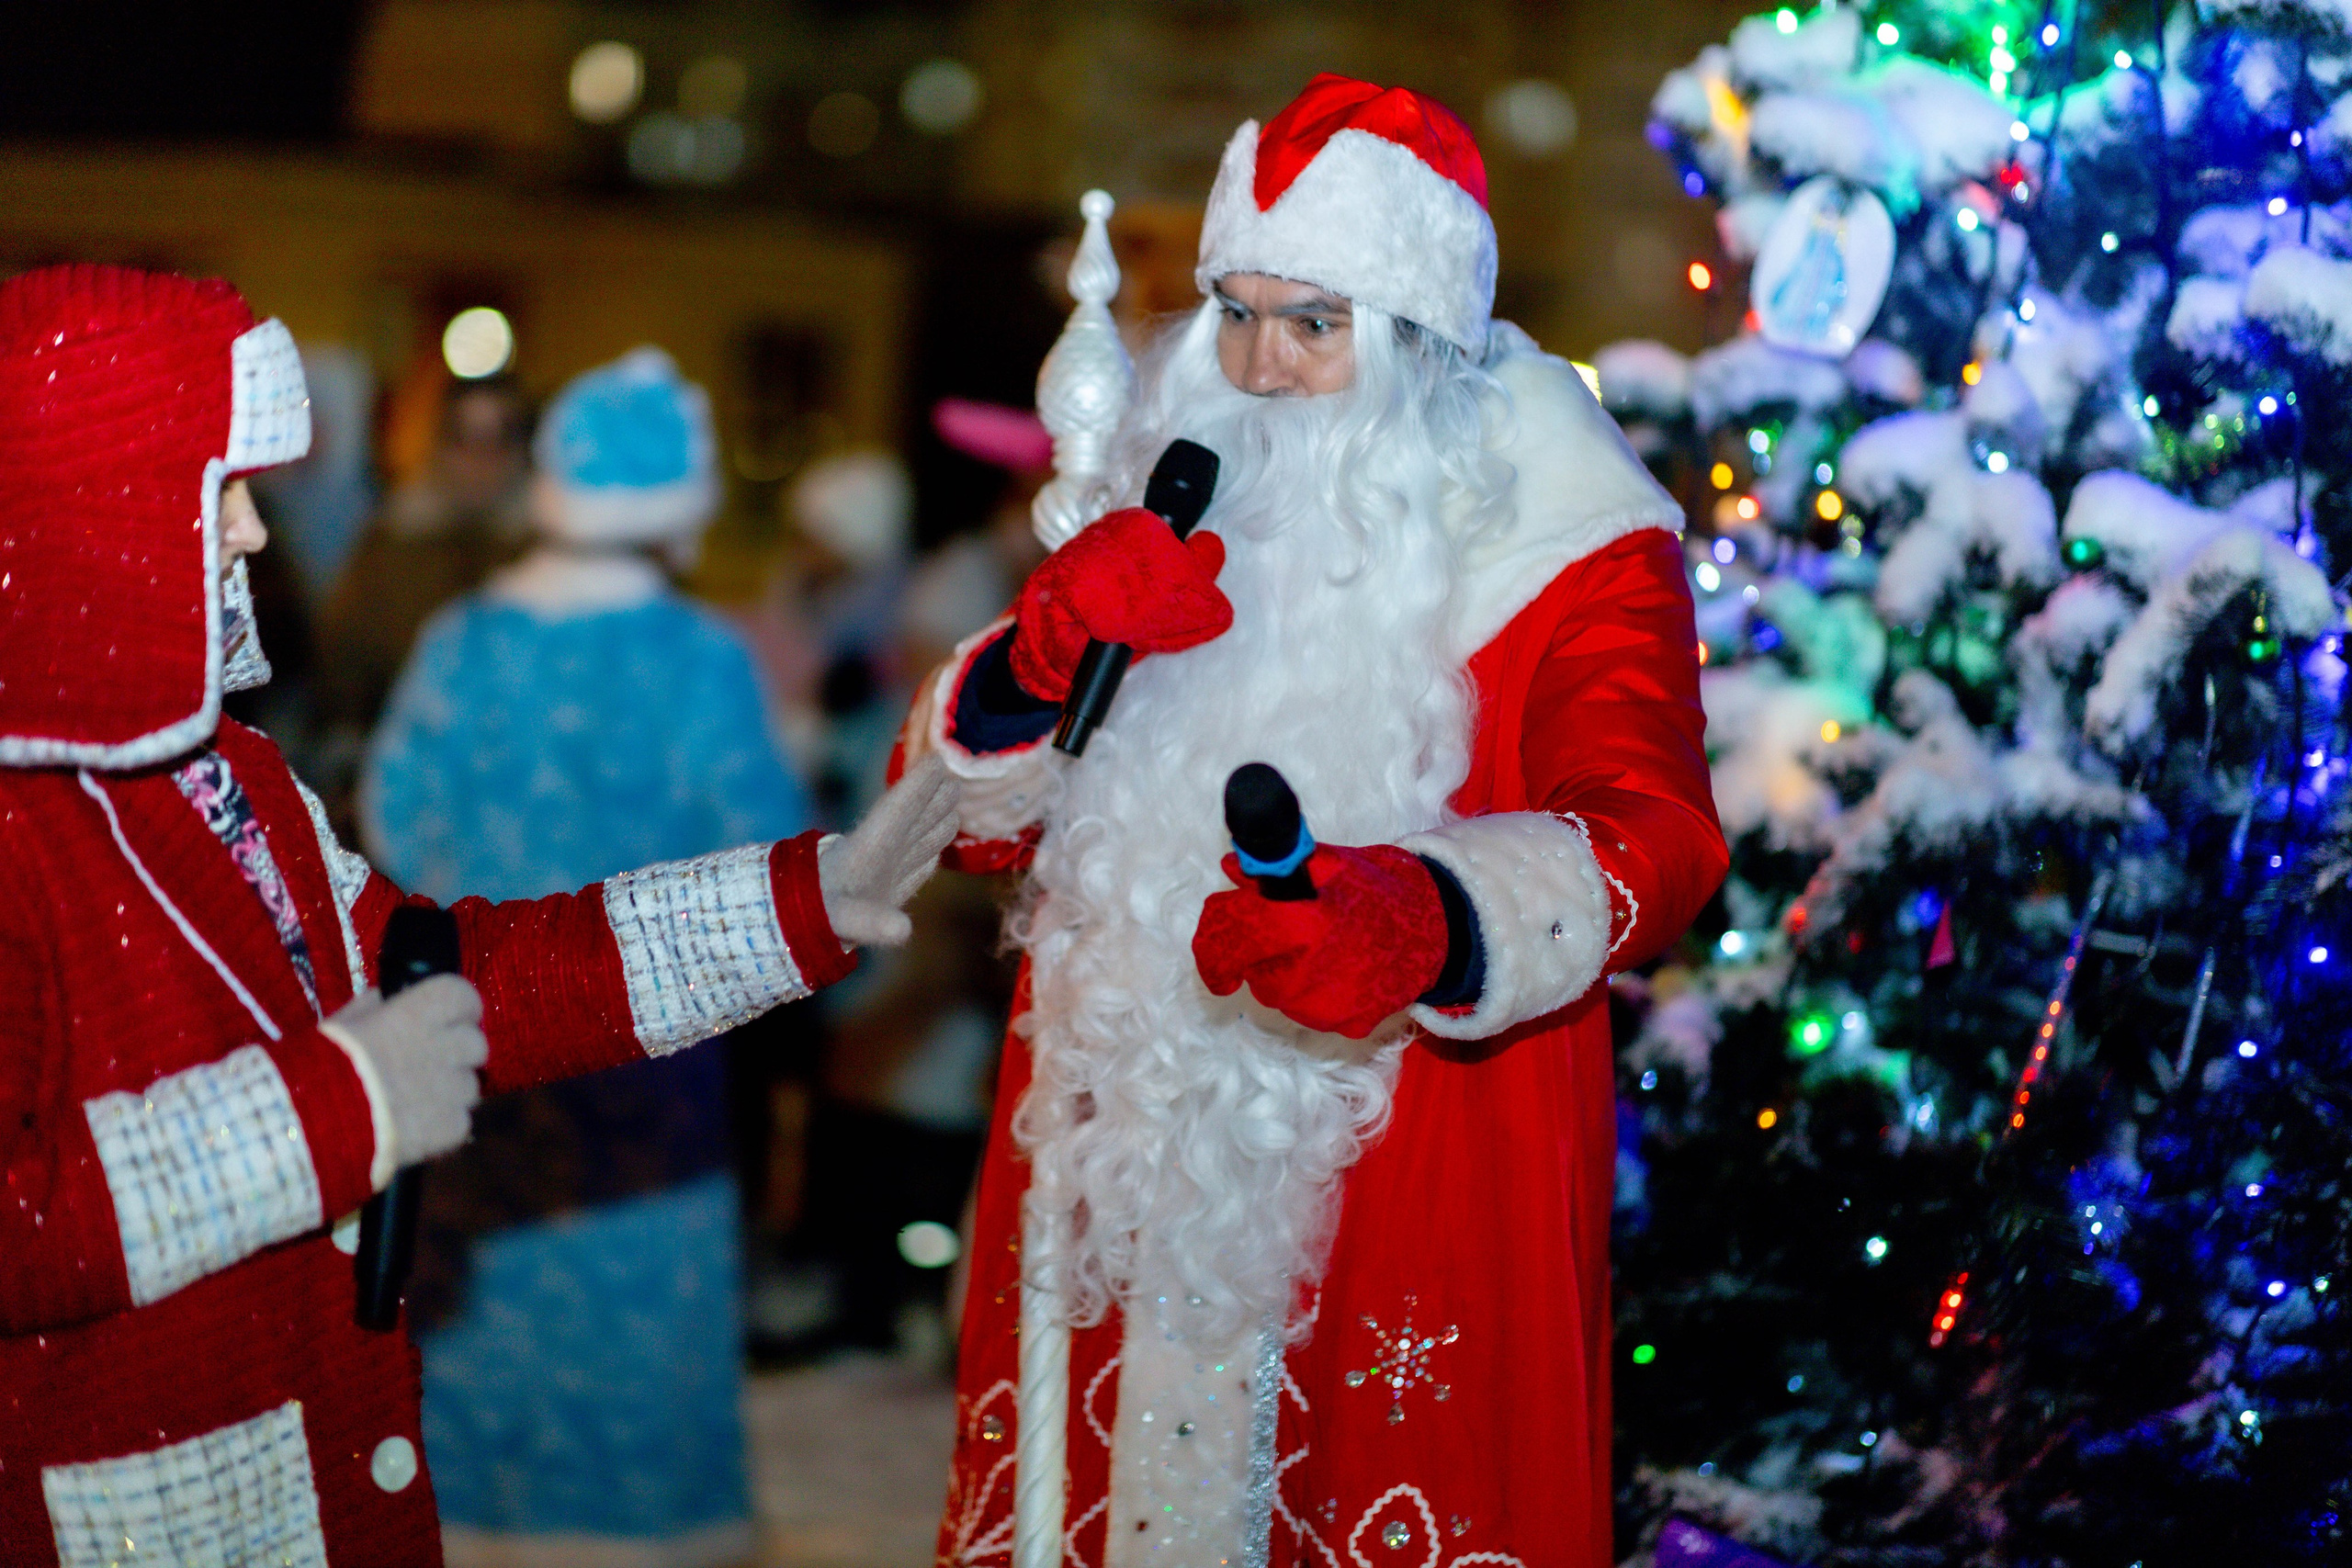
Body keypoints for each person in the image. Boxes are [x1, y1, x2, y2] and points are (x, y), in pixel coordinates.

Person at [0, 264, 957, 1565]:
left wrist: (803, 898)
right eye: (220, 492)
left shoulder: (224, 773)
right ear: (97, 520)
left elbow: (444, 966)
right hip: (138, 1501)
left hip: (297, 1457)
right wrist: (336, 1106)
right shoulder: (24, 832)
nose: (254, 535)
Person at [907, 76, 1727, 1566]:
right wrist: (1036, 671)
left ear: (1416, 338)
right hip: (1124, 1166)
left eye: (1315, 323)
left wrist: (1429, 913)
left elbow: (1656, 836)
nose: (1262, 366)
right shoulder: (1170, 499)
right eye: (1236, 312)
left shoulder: (1575, 543)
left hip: (1411, 1152)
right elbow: (962, 828)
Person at [362, 348, 815, 1567]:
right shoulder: (701, 659)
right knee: (635, 1312)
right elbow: (772, 862)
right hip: (645, 1055)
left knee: (476, 1317)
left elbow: (394, 825)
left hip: (482, 1036)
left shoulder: (463, 639)